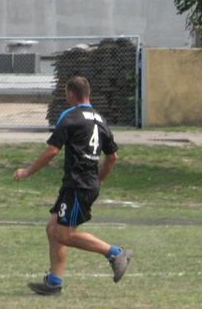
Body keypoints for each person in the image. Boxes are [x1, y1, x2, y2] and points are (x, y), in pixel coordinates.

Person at [13, 76, 132, 295]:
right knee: (53, 229)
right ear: (88, 93)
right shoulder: (100, 119)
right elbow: (112, 156)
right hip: (81, 184)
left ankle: (115, 253)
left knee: (64, 235)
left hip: (78, 184)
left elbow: (51, 150)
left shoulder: (70, 116)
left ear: (70, 94)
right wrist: (99, 180)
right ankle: (54, 281)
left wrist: (27, 171)